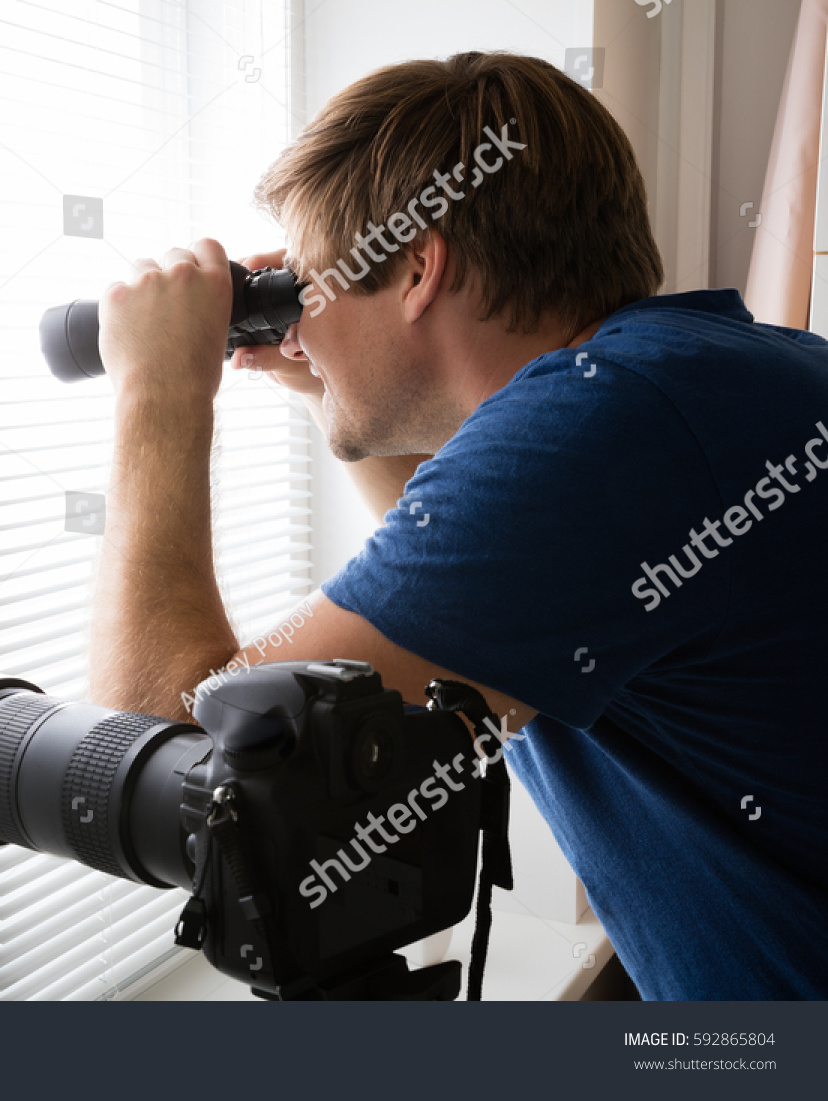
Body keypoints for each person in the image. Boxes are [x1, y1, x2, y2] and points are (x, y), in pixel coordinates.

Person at [86, 51, 828, 1000]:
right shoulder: (692, 375)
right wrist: (329, 388)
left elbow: (156, 758)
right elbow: (477, 611)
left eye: (306, 289)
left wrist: (157, 388)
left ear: (418, 267)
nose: (294, 329)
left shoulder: (601, 430)